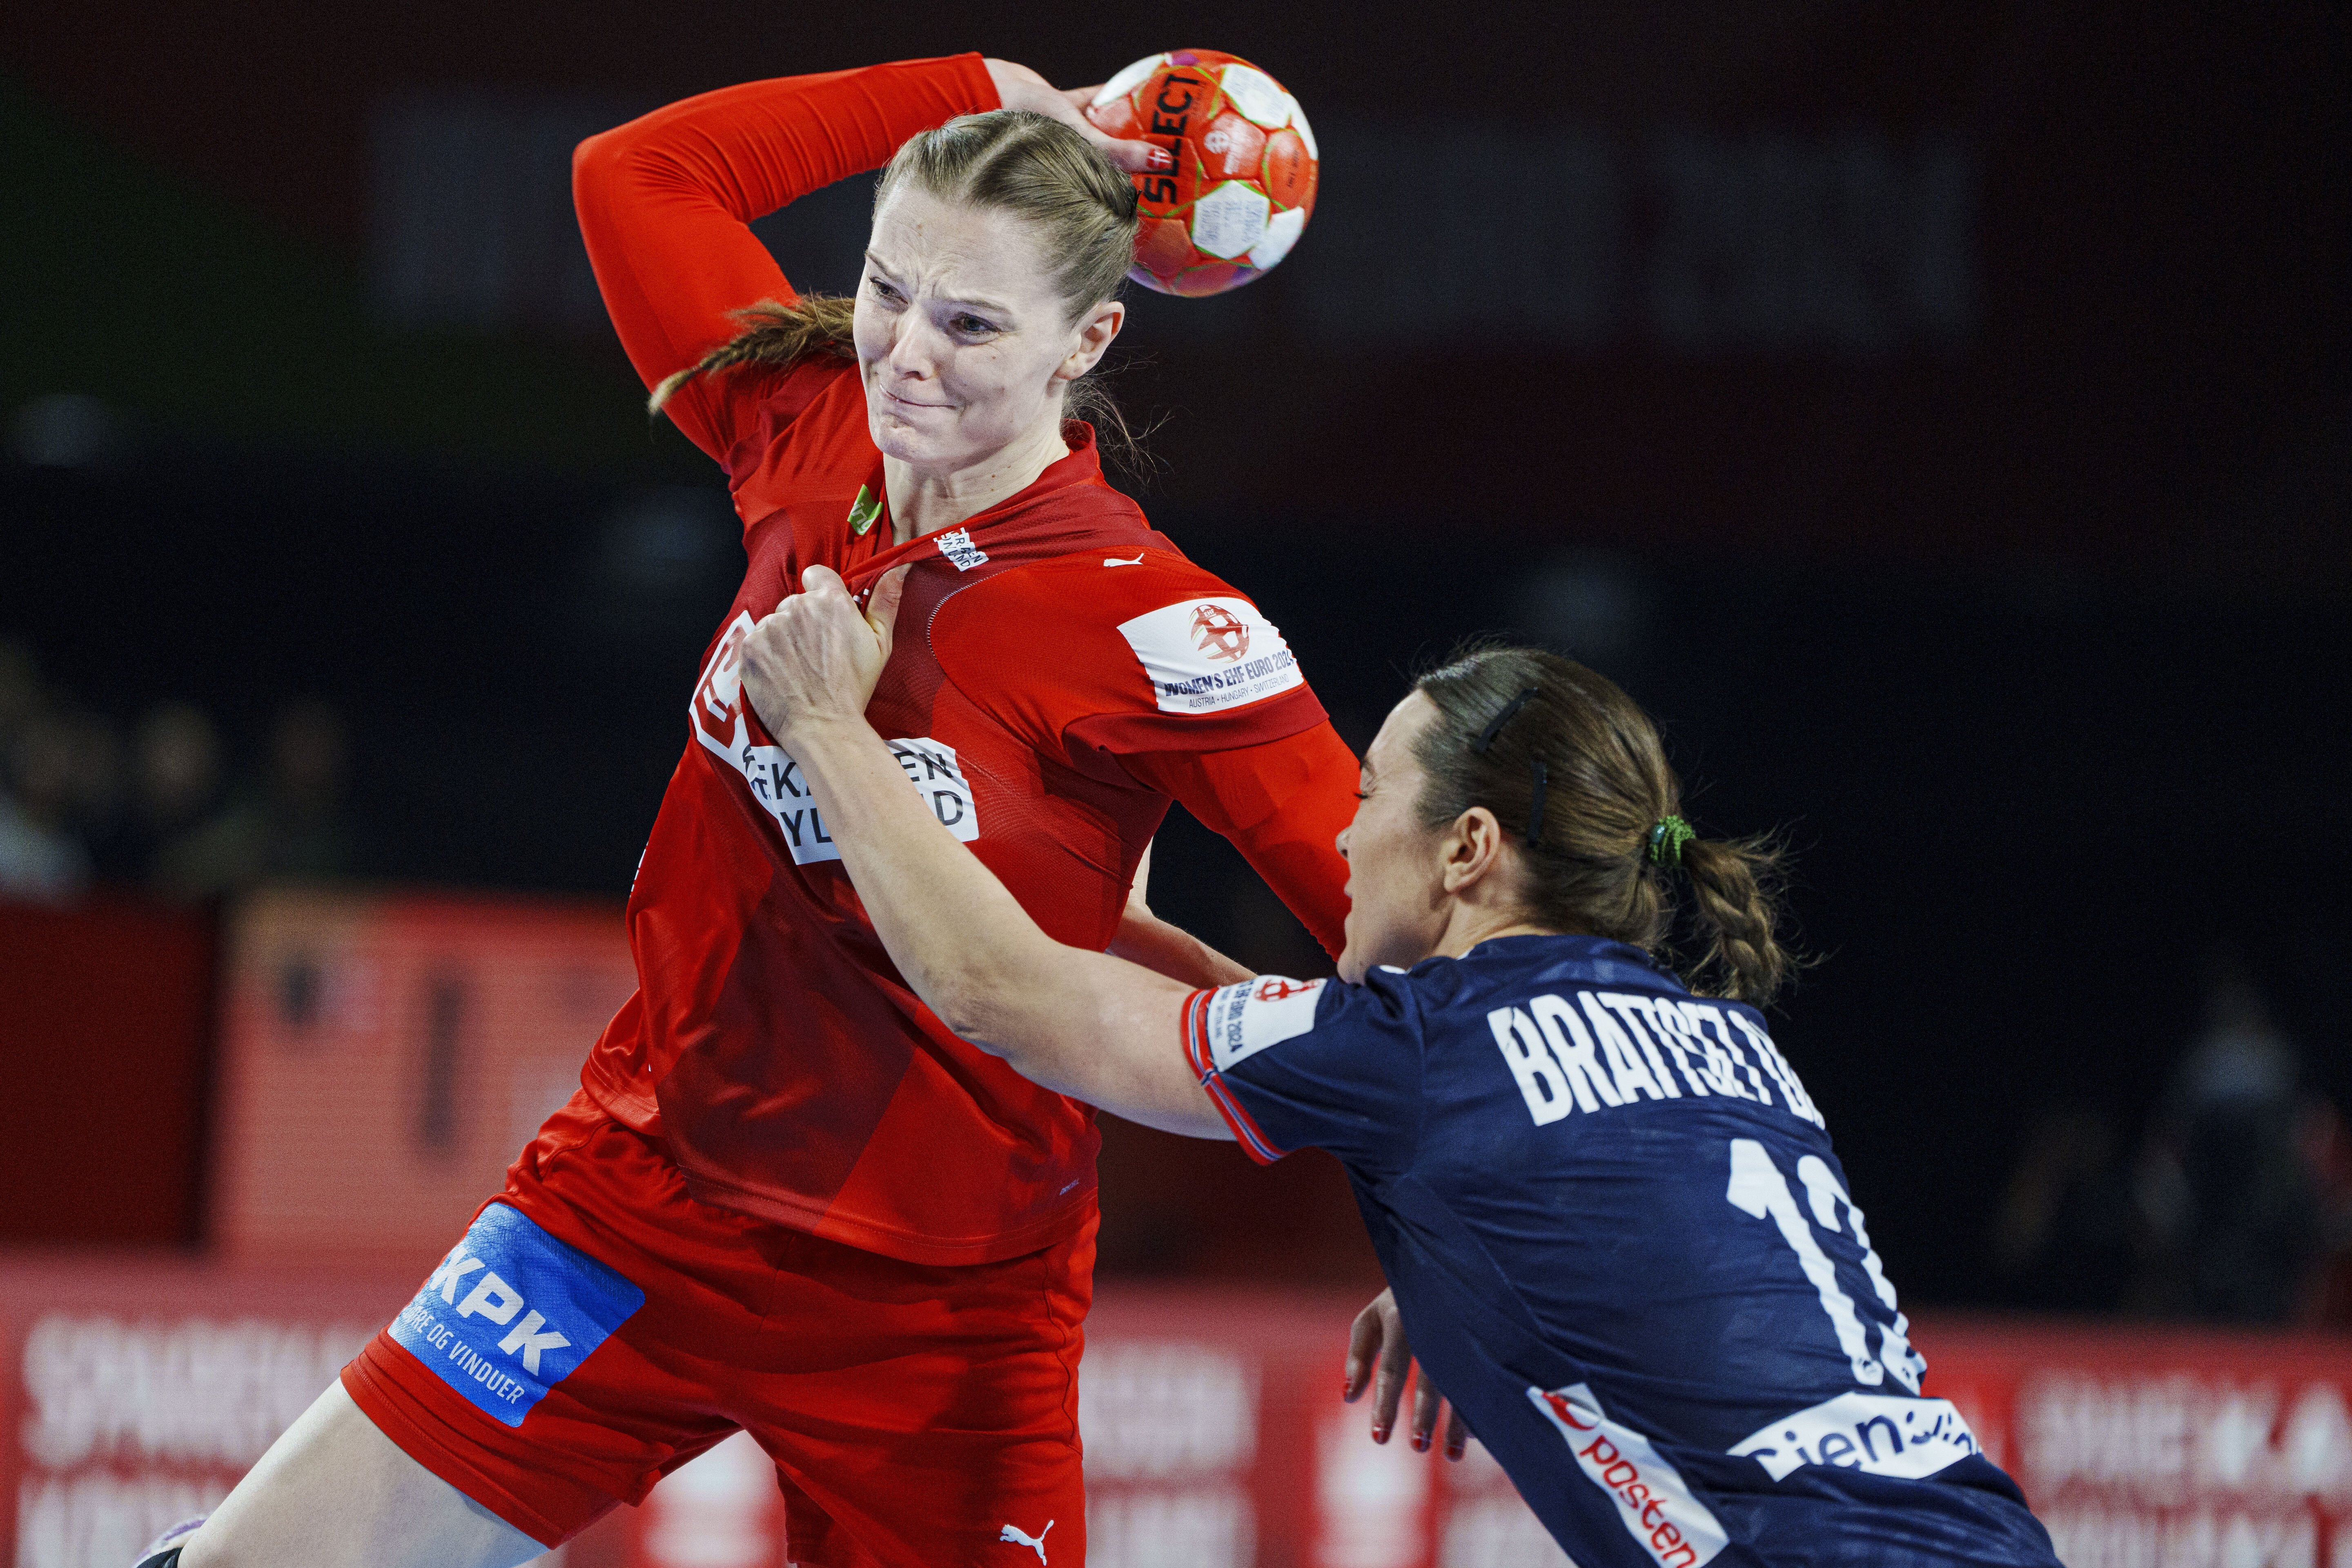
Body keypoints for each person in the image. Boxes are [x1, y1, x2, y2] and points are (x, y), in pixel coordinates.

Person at [145, 52, 1361, 1568]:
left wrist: (1446, 1232)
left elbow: (1414, 946)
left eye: (973, 323)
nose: (909, 354)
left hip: (949, 1316)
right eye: (888, 289)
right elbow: (632, 177)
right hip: (636, 1204)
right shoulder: (811, 427)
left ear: (1089, 340)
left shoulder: (1163, 626)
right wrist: (980, 81)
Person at [734, 571, 2063, 1568]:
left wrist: (824, 729)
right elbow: (1655, 1242)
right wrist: (1459, 1262)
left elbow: (998, 996)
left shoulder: (1427, 1051)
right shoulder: (1727, 1041)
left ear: (1468, 850)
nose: (1349, 836)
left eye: (1371, 794)